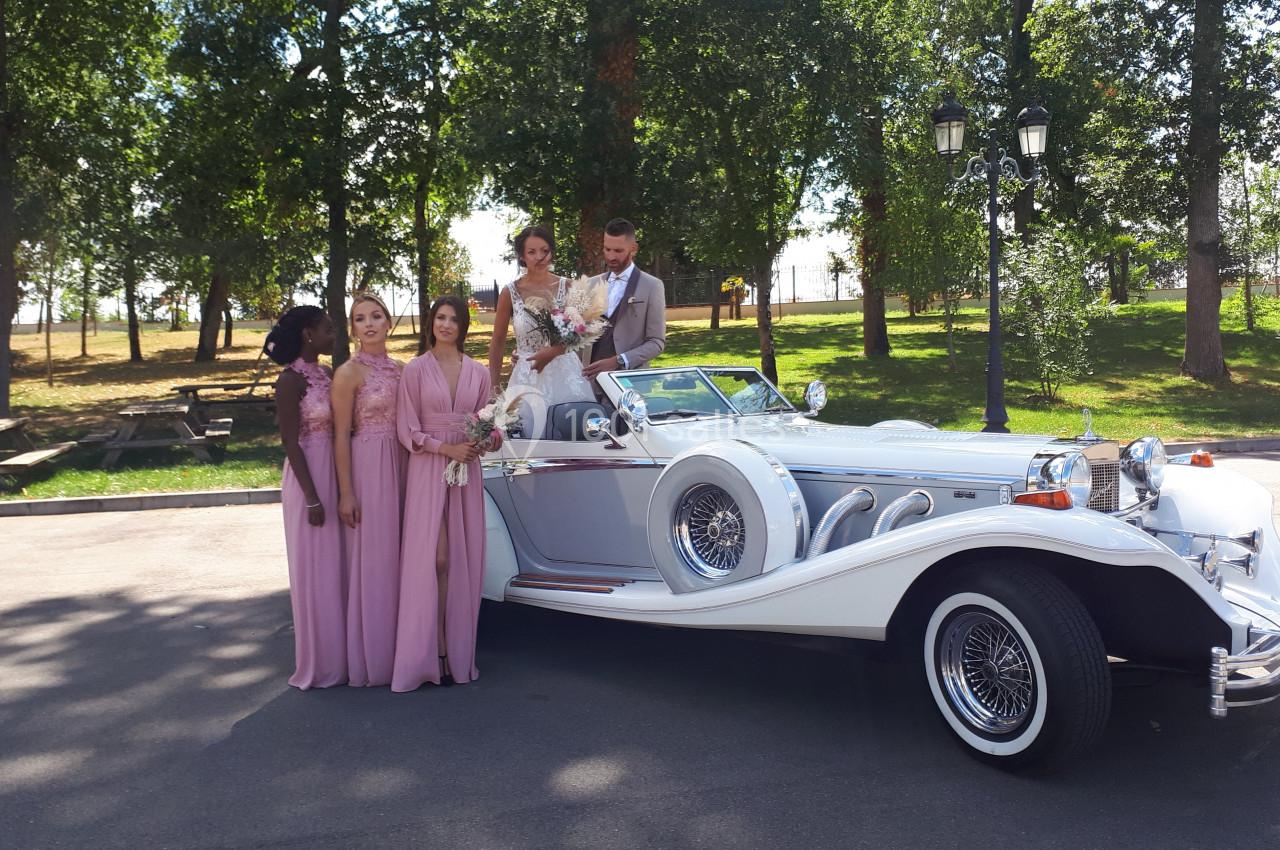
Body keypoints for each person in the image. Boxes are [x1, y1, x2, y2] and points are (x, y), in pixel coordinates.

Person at [393, 296, 496, 690]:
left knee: (459, 560)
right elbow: (407, 429)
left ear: (464, 325)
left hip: (466, 469)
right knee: (435, 559)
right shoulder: (416, 370)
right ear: (431, 323)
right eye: (440, 317)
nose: (446, 324)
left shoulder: (478, 372)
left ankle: (457, 653)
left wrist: (486, 441)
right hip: (429, 468)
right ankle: (432, 648)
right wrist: (444, 448)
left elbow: (489, 422)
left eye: (454, 319)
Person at [266, 305, 346, 690]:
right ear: (308, 335)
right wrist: (312, 498)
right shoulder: (289, 381)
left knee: (337, 566)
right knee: (315, 569)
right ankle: (319, 660)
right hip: (307, 478)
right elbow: (290, 442)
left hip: (334, 468)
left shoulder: (328, 375)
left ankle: (342, 654)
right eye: (328, 329)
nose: (334, 334)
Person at [332, 293, 406, 688]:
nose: (370, 324)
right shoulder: (348, 373)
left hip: (404, 464)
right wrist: (346, 491)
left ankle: (404, 646)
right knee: (375, 557)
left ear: (389, 321)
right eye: (361, 319)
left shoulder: (402, 370)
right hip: (368, 466)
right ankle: (374, 654)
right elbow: (340, 435)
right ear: (353, 329)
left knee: (401, 555)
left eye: (377, 316)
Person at [487, 224, 594, 436]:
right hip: (527, 375)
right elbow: (498, 340)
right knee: (530, 438)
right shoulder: (510, 292)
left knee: (573, 435)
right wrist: (494, 387)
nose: (540, 257)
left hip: (566, 374)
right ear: (522, 256)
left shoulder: (569, 286)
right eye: (532, 252)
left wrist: (555, 350)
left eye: (545, 250)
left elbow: (584, 330)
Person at [581, 218, 667, 385]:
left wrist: (619, 361)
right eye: (607, 249)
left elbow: (656, 342)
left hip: (632, 383)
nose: (611, 256)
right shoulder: (590, 285)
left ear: (633, 249)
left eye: (618, 251)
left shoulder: (652, 286)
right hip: (588, 383)